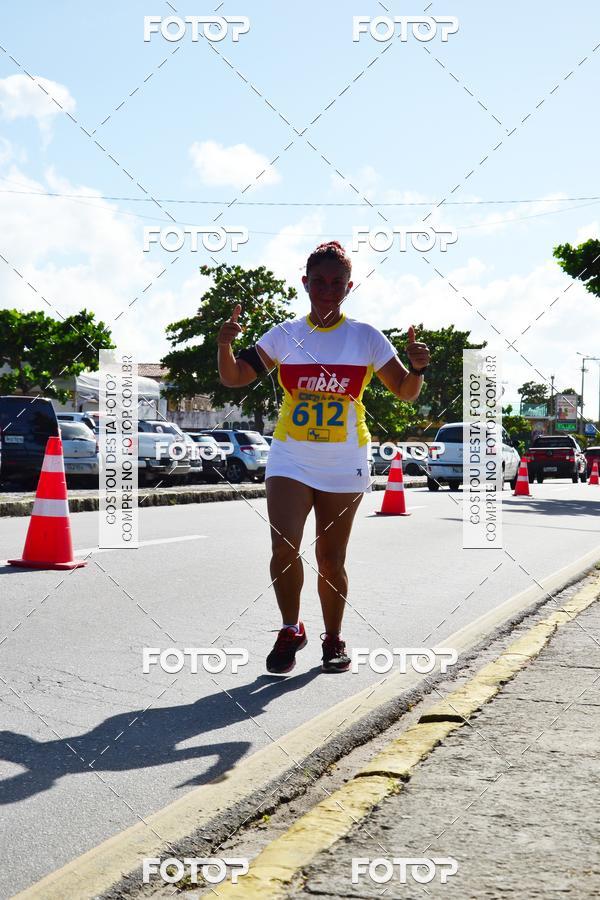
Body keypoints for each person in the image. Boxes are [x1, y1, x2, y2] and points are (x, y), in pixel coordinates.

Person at [217, 241, 430, 674]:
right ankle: (290, 628)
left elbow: (405, 392)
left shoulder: (366, 337)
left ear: (349, 287)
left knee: (331, 559)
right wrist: (224, 344)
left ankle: (333, 639)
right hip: (291, 456)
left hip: (344, 460)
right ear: (305, 284)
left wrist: (418, 369)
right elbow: (234, 376)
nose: (328, 290)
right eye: (319, 282)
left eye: (337, 283)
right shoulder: (285, 335)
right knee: (284, 547)